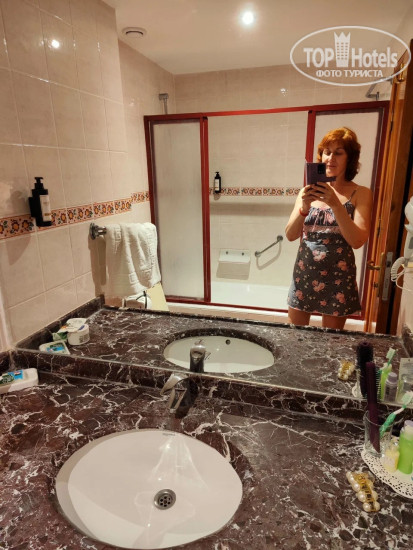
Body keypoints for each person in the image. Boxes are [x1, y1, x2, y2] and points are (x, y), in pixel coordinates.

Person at [285, 127, 373, 330]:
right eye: (327, 152)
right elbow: (290, 235)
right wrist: (304, 207)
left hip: (338, 279)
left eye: (338, 153)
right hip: (304, 274)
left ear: (350, 159)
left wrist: (335, 204)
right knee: (294, 337)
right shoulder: (306, 192)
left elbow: (357, 240)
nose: (330, 158)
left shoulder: (361, 193)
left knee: (331, 340)